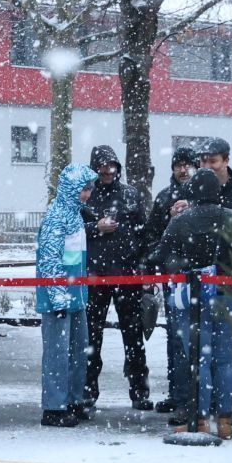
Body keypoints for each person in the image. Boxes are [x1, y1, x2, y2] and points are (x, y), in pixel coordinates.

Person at [152, 169, 232, 438]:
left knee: (199, 359)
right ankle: (224, 420)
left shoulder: (182, 221)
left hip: (194, 296)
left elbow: (159, 255)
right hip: (229, 293)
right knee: (225, 360)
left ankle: (199, 420)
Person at [81, 144, 151, 410]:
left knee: (133, 336)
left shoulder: (130, 195)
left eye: (111, 166)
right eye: (101, 167)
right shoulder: (86, 195)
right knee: (91, 337)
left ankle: (139, 391)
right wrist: (95, 228)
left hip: (127, 275)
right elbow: (74, 231)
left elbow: (143, 234)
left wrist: (142, 268)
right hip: (95, 276)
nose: (107, 171)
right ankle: (88, 391)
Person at [36, 164, 97, 426]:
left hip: (77, 297)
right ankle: (54, 407)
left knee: (77, 353)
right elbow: (49, 261)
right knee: (57, 355)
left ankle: (72, 400)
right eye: (83, 189)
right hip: (58, 299)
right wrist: (58, 298)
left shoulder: (76, 215)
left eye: (89, 189)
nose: (87, 194)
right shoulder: (56, 217)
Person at [147, 147, 198, 412]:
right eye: (178, 165)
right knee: (175, 337)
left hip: (201, 277)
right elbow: (151, 237)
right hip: (172, 277)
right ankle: (178, 394)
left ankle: (198, 397)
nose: (183, 169)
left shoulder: (205, 196)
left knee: (199, 337)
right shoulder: (164, 198)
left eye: (188, 165)